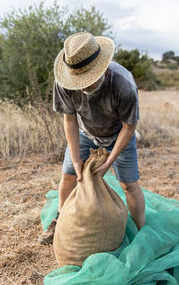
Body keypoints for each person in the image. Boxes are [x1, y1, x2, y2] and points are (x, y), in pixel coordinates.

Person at [39, 32, 145, 245]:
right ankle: (59, 223)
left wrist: (109, 161)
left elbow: (129, 127)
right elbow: (69, 120)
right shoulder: (64, 83)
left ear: (102, 68)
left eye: (86, 80)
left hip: (119, 135)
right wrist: (77, 160)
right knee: (68, 176)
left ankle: (142, 232)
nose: (82, 86)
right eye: (77, 81)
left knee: (129, 185)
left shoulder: (123, 84)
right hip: (85, 133)